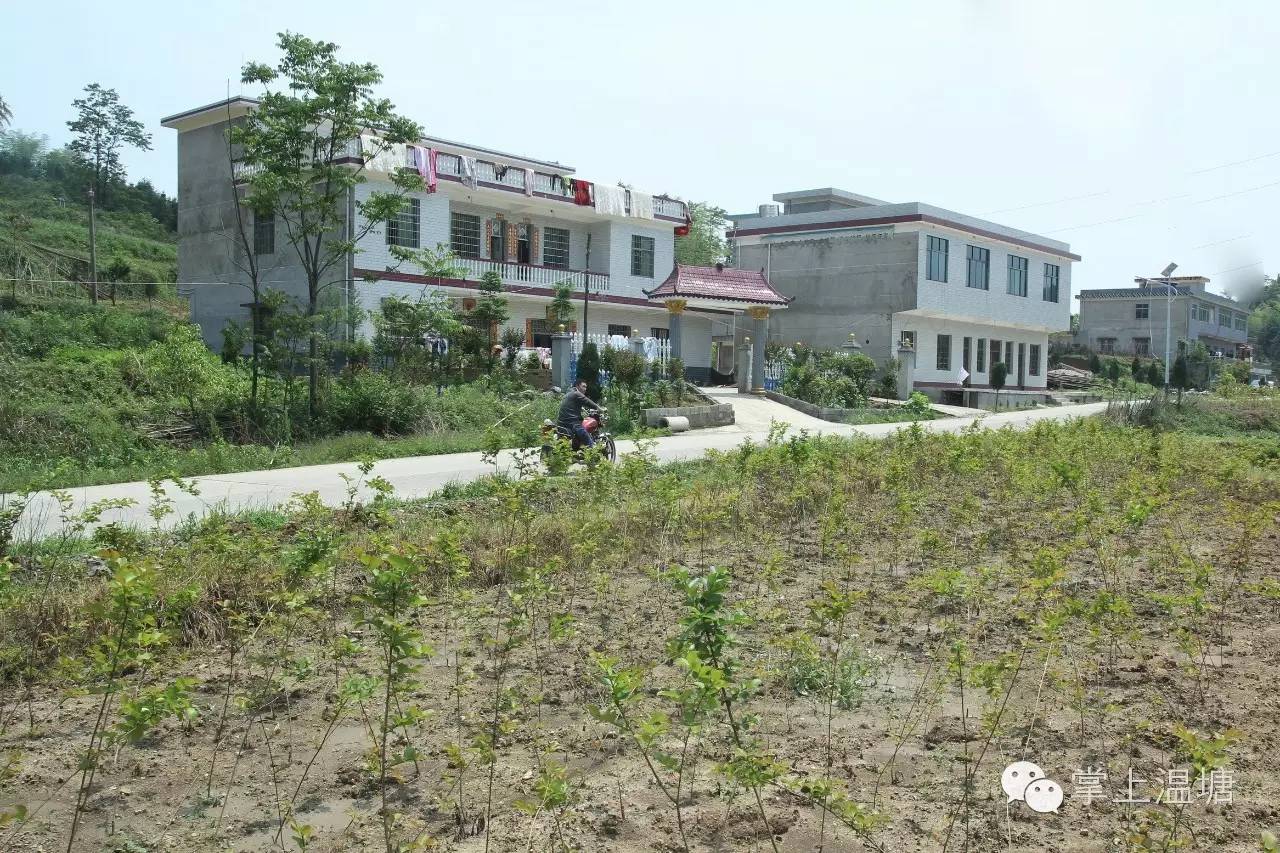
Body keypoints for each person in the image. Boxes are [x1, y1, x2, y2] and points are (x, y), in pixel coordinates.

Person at [557, 379, 601, 448]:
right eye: (583, 386)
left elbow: (572, 406)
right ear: (577, 386)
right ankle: (593, 450)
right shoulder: (576, 393)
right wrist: (599, 408)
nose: (585, 389)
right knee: (587, 437)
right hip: (572, 423)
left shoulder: (568, 394)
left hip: (561, 423)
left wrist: (582, 409)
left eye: (586, 387)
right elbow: (587, 401)